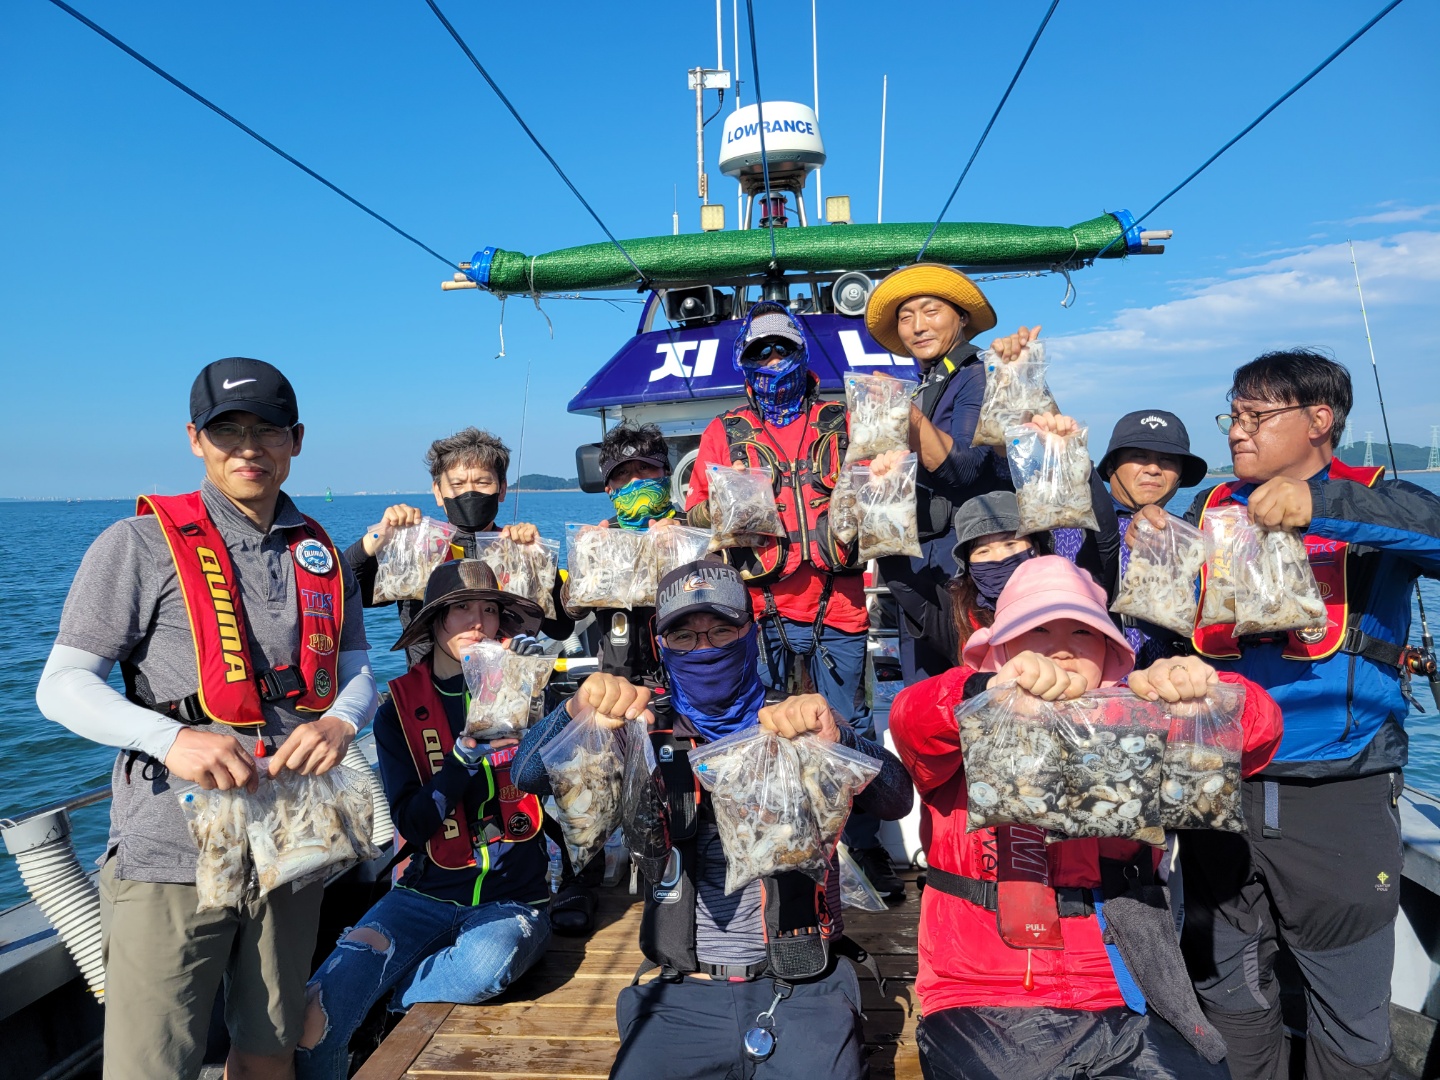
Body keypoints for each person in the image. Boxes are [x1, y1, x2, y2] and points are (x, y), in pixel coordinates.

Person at [35, 357, 378, 1080]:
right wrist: (171, 737)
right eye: (229, 431)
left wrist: (340, 724)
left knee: (269, 1046)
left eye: (268, 430)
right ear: (196, 439)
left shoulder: (320, 554)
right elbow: (61, 685)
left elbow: (356, 675)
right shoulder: (136, 545)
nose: (249, 447)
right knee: (153, 1064)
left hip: (293, 841)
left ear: (297, 440)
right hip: (172, 847)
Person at [1126, 349, 1440, 1079]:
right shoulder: (1205, 512)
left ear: (1318, 421)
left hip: (1336, 789)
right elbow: (1154, 619)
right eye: (1232, 416)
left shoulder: (1368, 501)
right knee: (1228, 989)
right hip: (1215, 785)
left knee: (1350, 1013)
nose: (1237, 431)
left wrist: (1324, 506)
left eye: (1257, 416)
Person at [514, 560, 915, 1079]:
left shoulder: (795, 718)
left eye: (722, 629)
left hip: (801, 984)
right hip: (683, 987)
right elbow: (527, 774)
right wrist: (575, 713)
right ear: (661, 646)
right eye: (684, 635)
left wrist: (841, 735)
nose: (705, 648)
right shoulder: (638, 727)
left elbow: (895, 798)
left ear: (752, 635)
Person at [887, 555, 1283, 1080]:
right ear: (1000, 649)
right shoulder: (966, 712)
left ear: (1109, 655)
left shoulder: (1135, 725)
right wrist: (986, 691)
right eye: (1037, 630)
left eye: (1083, 631)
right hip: (981, 993)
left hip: (1127, 986)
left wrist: (1201, 693)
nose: (1061, 646)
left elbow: (1258, 737)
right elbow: (911, 718)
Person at [296, 560, 551, 1078]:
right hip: (420, 894)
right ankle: (357, 1013)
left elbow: (559, 788)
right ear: (434, 623)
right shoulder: (396, 706)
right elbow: (412, 825)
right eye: (461, 610)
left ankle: (385, 1002)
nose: (478, 623)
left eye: (489, 611)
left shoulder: (525, 688)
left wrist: (552, 706)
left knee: (489, 965)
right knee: (312, 1021)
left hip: (512, 897)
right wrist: (460, 758)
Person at [684, 301, 904, 899]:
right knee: (765, 732)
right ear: (745, 362)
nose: (773, 361)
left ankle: (860, 845)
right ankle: (776, 844)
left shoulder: (845, 418)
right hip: (760, 611)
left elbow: (885, 478)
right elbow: (699, 509)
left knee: (847, 729)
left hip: (841, 605)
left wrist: (885, 461)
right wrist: (723, 505)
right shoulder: (723, 433)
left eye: (783, 349)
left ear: (803, 353)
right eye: (761, 353)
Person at [553, 421, 678, 934]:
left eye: (645, 471)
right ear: (608, 488)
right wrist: (582, 557)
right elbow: (566, 610)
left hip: (678, 687)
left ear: (664, 473)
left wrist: (681, 549)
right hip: (615, 686)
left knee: (670, 792)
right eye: (622, 477)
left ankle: (671, 877)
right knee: (582, 777)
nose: (634, 483)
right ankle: (578, 877)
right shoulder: (598, 538)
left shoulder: (692, 531)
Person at [863, 264, 1013, 684]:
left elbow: (964, 468)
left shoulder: (978, 376)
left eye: (931, 311)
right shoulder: (924, 384)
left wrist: (907, 417)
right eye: (906, 317)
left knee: (975, 687)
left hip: (965, 571)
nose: (917, 326)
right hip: (917, 571)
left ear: (961, 318)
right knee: (926, 697)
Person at [344, 426, 574, 663]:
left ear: (502, 489)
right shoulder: (415, 550)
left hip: (504, 688)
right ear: (438, 492)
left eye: (483, 482)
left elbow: (561, 629)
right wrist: (376, 540)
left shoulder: (517, 550)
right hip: (430, 691)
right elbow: (343, 594)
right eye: (458, 484)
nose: (470, 492)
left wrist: (540, 560)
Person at [1054, 409, 1208, 665]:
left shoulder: (1191, 537)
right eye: (1139, 456)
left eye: (1168, 460)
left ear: (1180, 474)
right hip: (1088, 681)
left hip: (1169, 686)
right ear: (1112, 466)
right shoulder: (1066, 528)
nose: (1153, 469)